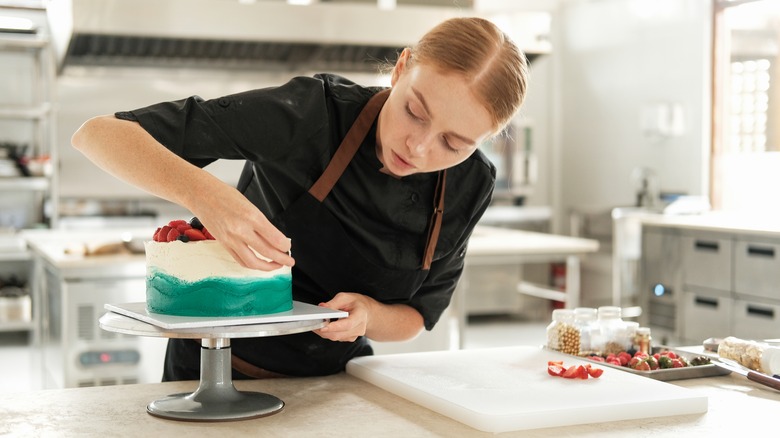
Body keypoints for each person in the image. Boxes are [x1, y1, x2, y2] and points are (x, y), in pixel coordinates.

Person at [71, 16, 529, 380]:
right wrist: (208, 194)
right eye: (414, 110)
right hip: (214, 374)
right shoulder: (314, 113)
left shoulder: (471, 185)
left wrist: (369, 316)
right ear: (401, 67)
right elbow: (98, 134)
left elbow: (416, 316)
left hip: (339, 384)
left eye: (455, 143)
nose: (420, 147)